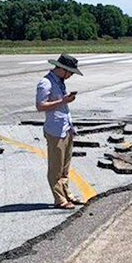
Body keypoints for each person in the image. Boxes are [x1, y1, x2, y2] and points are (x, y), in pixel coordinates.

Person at [36, 53, 85, 210]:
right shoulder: (46, 83)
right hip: (55, 130)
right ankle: (59, 199)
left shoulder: (60, 82)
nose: (70, 76)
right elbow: (40, 106)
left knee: (65, 167)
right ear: (62, 69)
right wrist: (63, 100)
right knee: (56, 168)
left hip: (66, 128)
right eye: (70, 72)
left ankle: (66, 194)